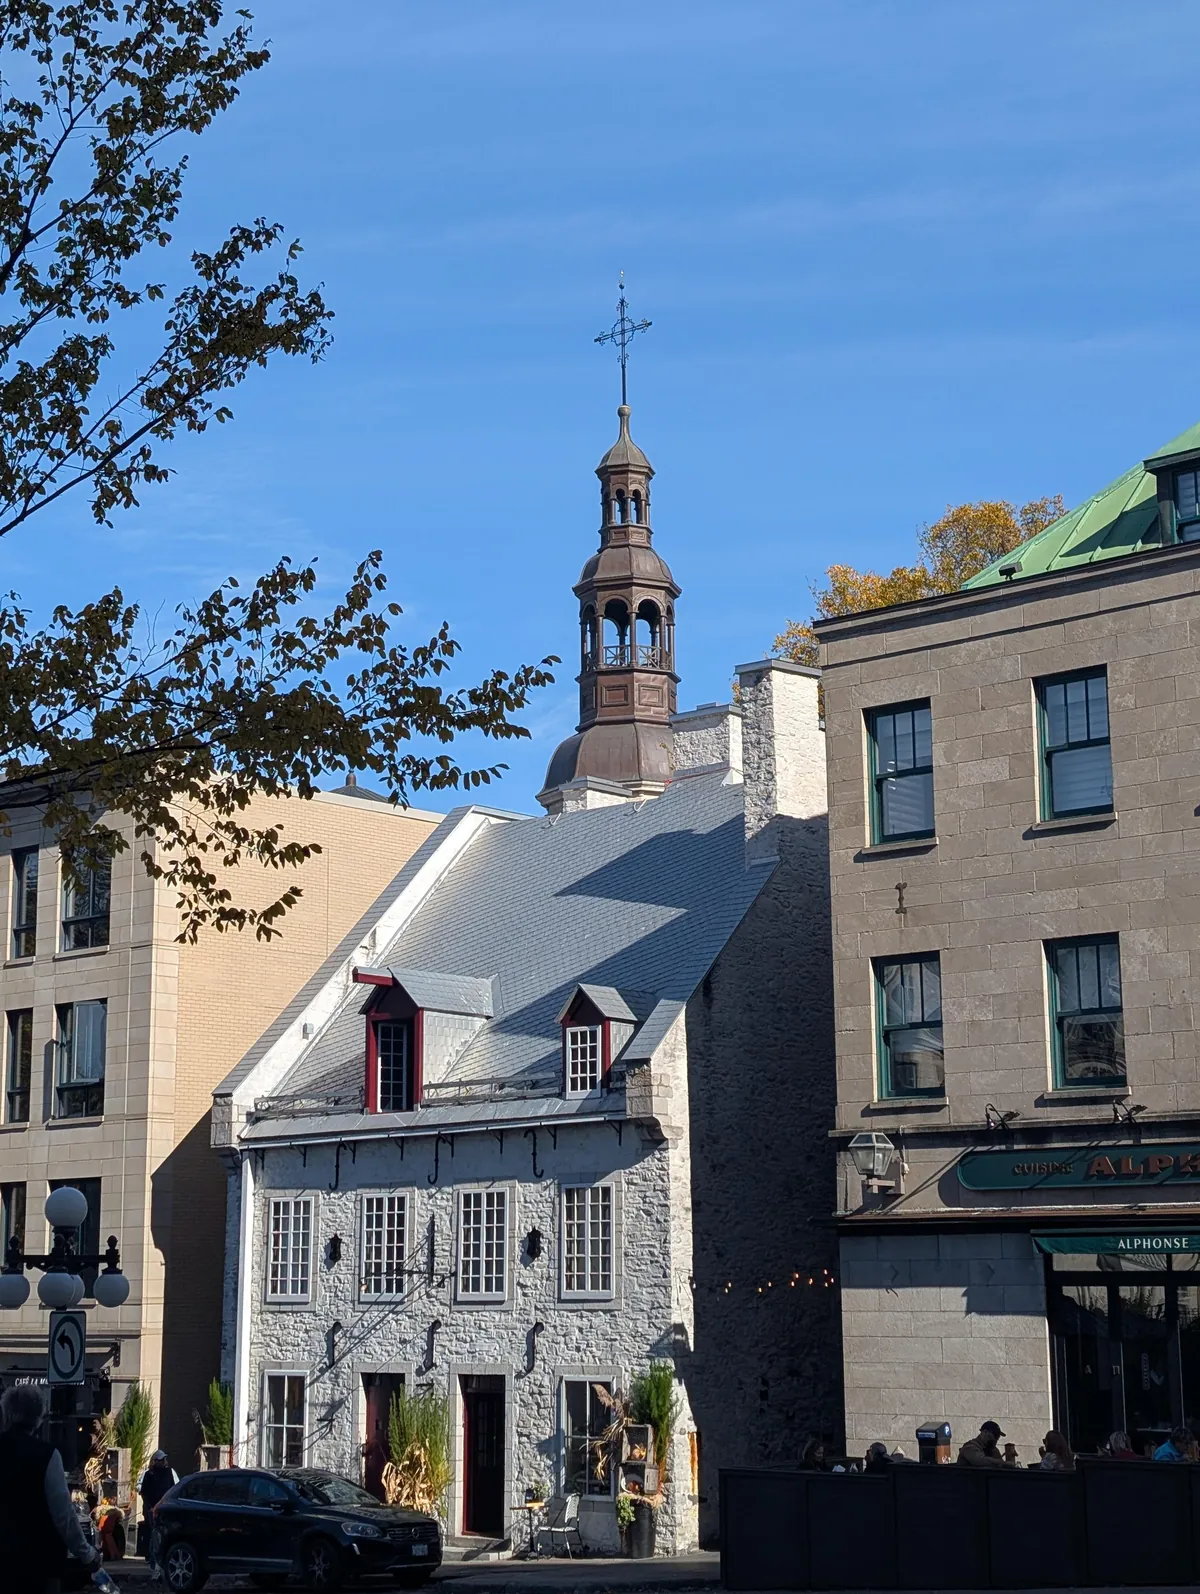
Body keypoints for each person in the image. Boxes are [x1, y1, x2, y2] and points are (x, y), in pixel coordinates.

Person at [0, 1383, 103, 1593]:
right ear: (38, 1417)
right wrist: (87, 1554)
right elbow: (63, 1514)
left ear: (8, 1413)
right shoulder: (47, 1455)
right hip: (39, 1566)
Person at [137, 1449, 179, 1555]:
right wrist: (149, 1507)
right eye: (161, 1459)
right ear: (155, 1461)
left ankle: (162, 1553)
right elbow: (144, 1493)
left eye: (164, 1459)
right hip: (152, 1508)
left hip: (165, 1507)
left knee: (165, 1531)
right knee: (152, 1532)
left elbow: (173, 1488)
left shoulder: (169, 1472)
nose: (164, 1461)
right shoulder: (149, 1474)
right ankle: (151, 1555)